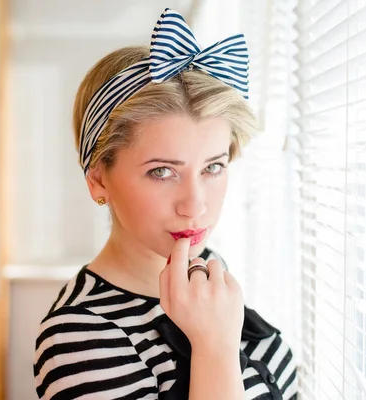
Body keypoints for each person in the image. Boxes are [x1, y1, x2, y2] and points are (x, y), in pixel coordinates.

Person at [33, 8, 297, 400]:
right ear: (98, 179)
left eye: (213, 167)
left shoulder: (208, 283)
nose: (195, 205)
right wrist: (213, 348)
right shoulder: (79, 337)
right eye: (162, 172)